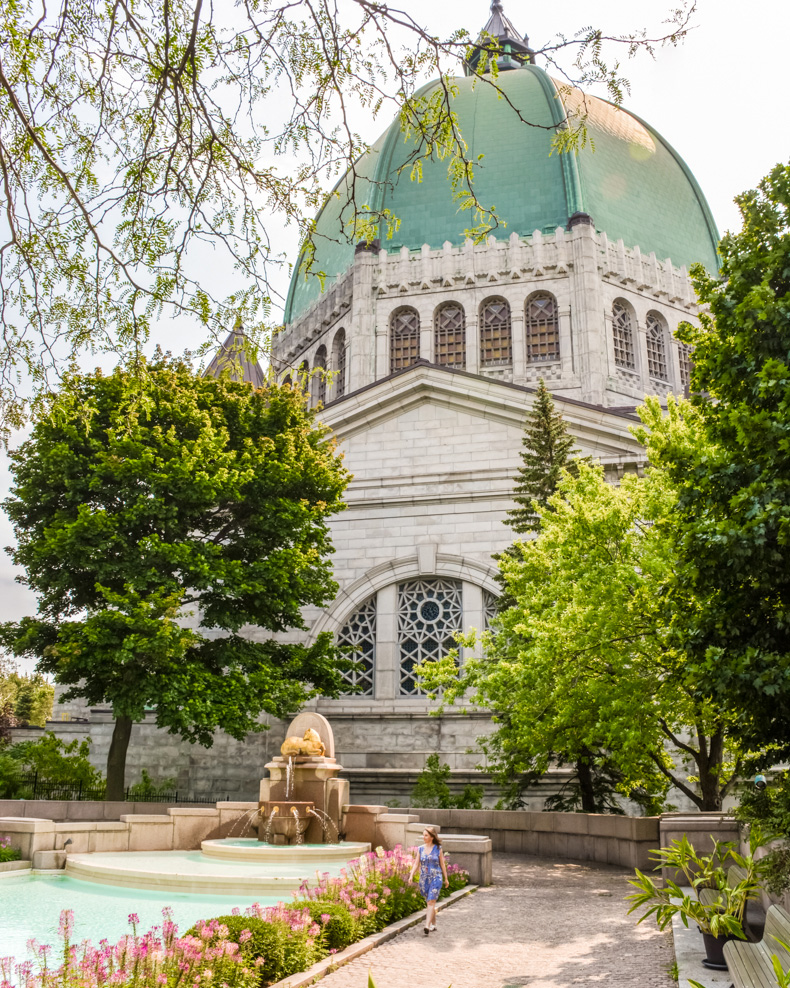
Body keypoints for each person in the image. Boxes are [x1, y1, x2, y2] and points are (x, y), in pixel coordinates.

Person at [409, 827, 449, 934]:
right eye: (423, 835)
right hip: (424, 879)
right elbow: (416, 863)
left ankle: (427, 925)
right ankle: (434, 924)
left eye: (426, 835)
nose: (424, 837)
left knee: (431, 902)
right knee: (430, 902)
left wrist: (446, 878)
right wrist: (411, 875)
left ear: (432, 837)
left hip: (436, 877)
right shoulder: (420, 849)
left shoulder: (438, 848)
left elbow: (442, 864)